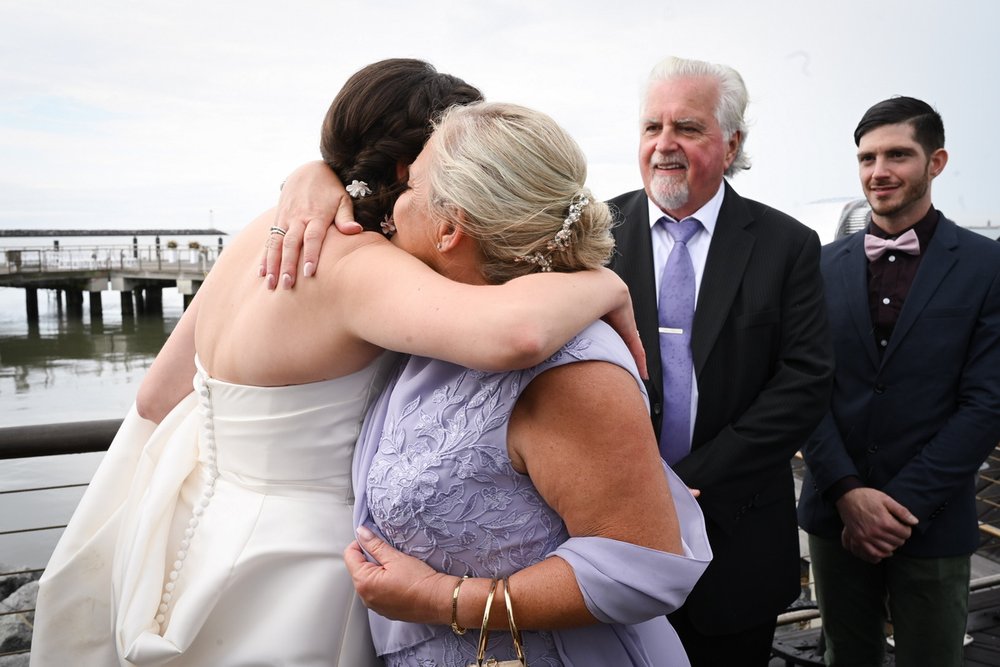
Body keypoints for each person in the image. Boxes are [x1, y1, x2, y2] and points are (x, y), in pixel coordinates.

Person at [28, 59, 645, 667]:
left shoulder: (266, 233)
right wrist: (607, 286)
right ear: (411, 167)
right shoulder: (362, 265)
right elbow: (515, 331)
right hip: (313, 559)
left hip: (199, 532)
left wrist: (312, 174)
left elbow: (155, 398)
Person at [345, 101, 711, 667]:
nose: (393, 203)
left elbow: (643, 569)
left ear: (450, 228)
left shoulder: (572, 372)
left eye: (410, 184)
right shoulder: (442, 328)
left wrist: (439, 598)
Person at [606, 56, 834, 665]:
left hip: (736, 537)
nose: (664, 145)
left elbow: (805, 381)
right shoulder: (593, 235)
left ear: (731, 143)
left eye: (687, 127)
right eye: (652, 127)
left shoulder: (787, 245)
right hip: (610, 535)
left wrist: (690, 479)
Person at [797, 96, 1000, 667]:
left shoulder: (988, 267)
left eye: (897, 155)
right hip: (835, 512)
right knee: (846, 655)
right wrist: (846, 492)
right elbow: (804, 387)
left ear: (936, 162)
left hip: (931, 517)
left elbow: (988, 403)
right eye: (866, 157)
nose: (878, 171)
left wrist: (899, 505)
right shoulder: (817, 265)